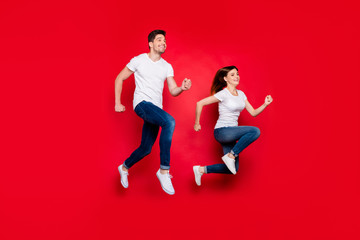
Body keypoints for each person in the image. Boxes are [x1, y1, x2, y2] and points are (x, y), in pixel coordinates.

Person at [115, 30, 191, 195]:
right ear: (150, 43)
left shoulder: (167, 66)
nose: (163, 42)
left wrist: (182, 89)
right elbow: (119, 78)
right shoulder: (139, 60)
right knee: (169, 121)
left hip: (155, 109)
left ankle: (124, 167)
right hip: (141, 104)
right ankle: (164, 171)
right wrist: (117, 102)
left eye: (164, 40)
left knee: (146, 148)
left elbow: (173, 90)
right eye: (159, 39)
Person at [193, 66, 272, 186]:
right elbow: (200, 103)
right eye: (232, 75)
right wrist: (197, 123)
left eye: (237, 74)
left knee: (233, 169)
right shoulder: (223, 94)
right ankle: (231, 155)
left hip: (231, 133)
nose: (236, 77)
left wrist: (265, 104)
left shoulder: (241, 94)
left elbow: (253, 113)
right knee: (255, 131)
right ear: (225, 78)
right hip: (222, 131)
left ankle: (200, 170)